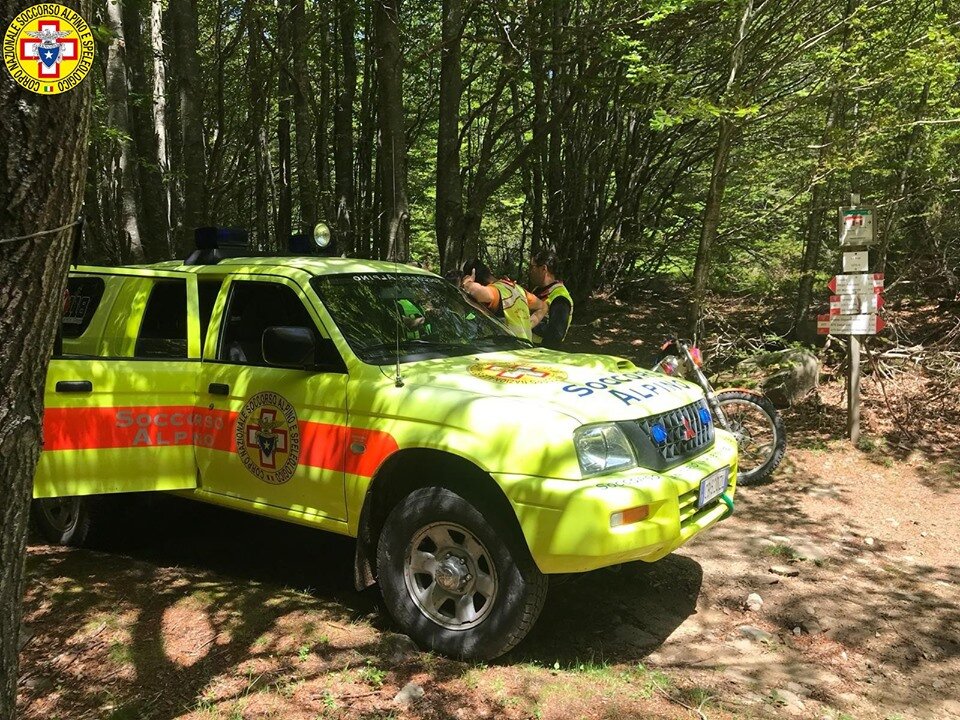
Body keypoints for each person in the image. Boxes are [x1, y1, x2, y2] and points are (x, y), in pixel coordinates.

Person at [460, 259, 545, 340]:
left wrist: (467, 283)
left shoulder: (495, 291)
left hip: (508, 350)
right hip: (525, 348)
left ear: (475, 279)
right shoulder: (517, 289)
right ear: (488, 270)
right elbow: (543, 307)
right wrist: (526, 326)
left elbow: (479, 293)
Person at [529, 248, 573, 349]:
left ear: (544, 269)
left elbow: (556, 333)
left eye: (532, 267)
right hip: (528, 350)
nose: (530, 271)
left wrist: (525, 322)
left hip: (543, 354)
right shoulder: (537, 291)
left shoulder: (560, 297)